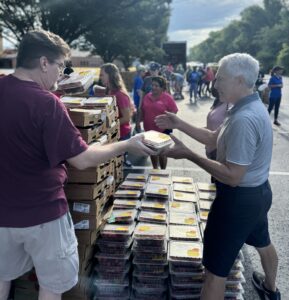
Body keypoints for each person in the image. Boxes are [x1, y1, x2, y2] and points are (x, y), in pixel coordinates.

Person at [0, 29, 155, 300]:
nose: (62, 73)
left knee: (1, 278)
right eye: (60, 65)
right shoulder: (47, 104)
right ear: (44, 63)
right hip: (44, 213)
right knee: (52, 285)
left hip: (3, 212)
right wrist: (128, 144)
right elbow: (81, 160)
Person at [156, 53, 280, 300]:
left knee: (215, 272)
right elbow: (214, 137)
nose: (214, 84)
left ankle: (270, 288)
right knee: (263, 242)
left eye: (220, 78)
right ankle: (271, 289)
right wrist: (179, 123)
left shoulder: (244, 119)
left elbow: (233, 176)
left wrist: (188, 154)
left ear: (240, 80)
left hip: (238, 200)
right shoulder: (247, 107)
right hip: (258, 193)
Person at [99, 63, 135, 167]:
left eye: (102, 75)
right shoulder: (109, 91)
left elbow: (127, 118)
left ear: (110, 75)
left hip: (121, 134)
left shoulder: (120, 94)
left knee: (119, 168)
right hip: (114, 133)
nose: (100, 77)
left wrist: (108, 125)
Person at [139, 76, 178, 169]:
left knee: (162, 153)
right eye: (152, 85)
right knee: (152, 151)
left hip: (163, 130)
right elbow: (142, 110)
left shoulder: (168, 98)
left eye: (156, 86)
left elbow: (174, 111)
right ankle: (155, 169)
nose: (153, 87)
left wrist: (166, 120)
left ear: (162, 88)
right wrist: (137, 122)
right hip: (149, 130)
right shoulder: (147, 96)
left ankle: (163, 171)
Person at [133, 65, 146, 133]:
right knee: (139, 114)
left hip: (137, 100)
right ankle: (137, 128)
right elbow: (139, 92)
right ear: (140, 71)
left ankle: (137, 127)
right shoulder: (139, 79)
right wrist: (140, 105)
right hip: (138, 100)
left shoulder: (137, 78)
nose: (145, 72)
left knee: (139, 115)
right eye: (144, 71)